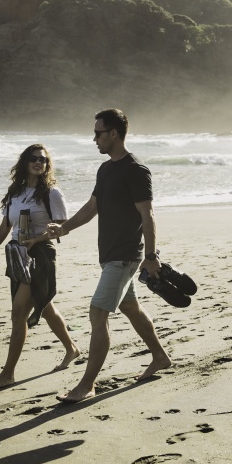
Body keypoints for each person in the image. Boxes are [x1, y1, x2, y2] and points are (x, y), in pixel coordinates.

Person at [51, 109, 172, 402]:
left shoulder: (136, 170)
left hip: (126, 255)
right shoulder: (105, 170)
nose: (95, 139)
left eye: (98, 133)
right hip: (110, 254)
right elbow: (93, 206)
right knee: (130, 307)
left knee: (98, 313)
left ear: (114, 134)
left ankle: (87, 384)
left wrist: (152, 255)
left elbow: (148, 214)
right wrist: (62, 228)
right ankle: (159, 356)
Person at [0, 143, 80, 391]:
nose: (38, 162)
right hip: (17, 254)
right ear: (24, 162)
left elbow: (63, 225)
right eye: (33, 158)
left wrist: (39, 238)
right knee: (44, 304)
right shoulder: (15, 193)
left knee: (19, 312)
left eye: (43, 159)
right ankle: (71, 348)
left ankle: (8, 374)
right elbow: (4, 228)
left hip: (40, 255)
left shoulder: (51, 193)